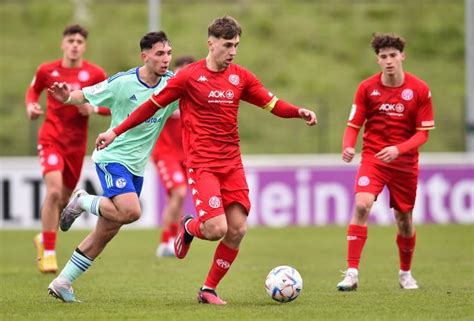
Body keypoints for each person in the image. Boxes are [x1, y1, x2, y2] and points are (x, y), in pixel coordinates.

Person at [95, 15, 317, 305]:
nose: (233, 52)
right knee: (216, 229)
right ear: (211, 44)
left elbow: (271, 103)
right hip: (202, 166)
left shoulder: (240, 77)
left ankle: (208, 289)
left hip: (232, 165)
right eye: (227, 45)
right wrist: (115, 130)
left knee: (237, 229)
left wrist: (297, 111)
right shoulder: (188, 77)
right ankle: (189, 227)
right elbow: (149, 108)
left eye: (236, 45)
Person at [46, 31, 178, 302]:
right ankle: (83, 200)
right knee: (130, 211)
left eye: (168, 53)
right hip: (112, 157)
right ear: (145, 56)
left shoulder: (172, 84)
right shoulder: (124, 82)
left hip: (136, 168)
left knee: (105, 232)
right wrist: (67, 97)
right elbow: (87, 94)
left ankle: (63, 282)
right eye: (159, 54)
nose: (166, 59)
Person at [336, 33, 435, 291]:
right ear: (377, 60)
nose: (389, 61)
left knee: (404, 220)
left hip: (405, 164)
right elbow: (353, 125)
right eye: (383, 57)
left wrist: (398, 149)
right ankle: (352, 273)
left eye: (393, 55)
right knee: (361, 205)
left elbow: (423, 133)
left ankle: (405, 274)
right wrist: (348, 146)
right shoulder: (367, 88)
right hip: (374, 159)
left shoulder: (420, 90)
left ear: (402, 56)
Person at [25, 24, 108, 274]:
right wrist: (31, 107)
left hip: (76, 145)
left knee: (62, 198)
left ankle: (44, 239)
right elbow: (33, 91)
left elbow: (113, 103)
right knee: (52, 191)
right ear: (63, 44)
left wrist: (94, 108)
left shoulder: (95, 74)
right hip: (51, 138)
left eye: (79, 41)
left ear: (84, 46)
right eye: (70, 40)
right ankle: (49, 252)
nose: (74, 45)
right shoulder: (47, 70)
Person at [152, 55, 195, 258]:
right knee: (178, 193)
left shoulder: (195, 94)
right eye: (181, 69)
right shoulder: (168, 90)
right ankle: (165, 241)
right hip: (165, 153)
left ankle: (172, 240)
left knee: (177, 198)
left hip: (186, 154)